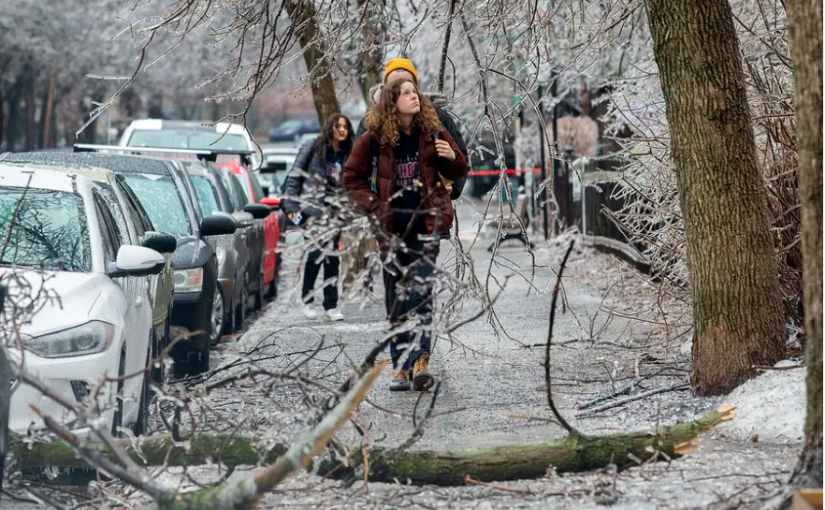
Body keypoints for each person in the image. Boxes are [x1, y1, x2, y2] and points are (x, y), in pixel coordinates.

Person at [344, 79, 469, 392]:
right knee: (397, 295)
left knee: (422, 291)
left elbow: (460, 169)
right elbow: (351, 177)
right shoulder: (374, 137)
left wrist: (452, 160)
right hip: (391, 229)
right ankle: (399, 363)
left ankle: (420, 360)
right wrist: (373, 205)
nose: (415, 97)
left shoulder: (434, 132)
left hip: (426, 226)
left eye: (416, 92)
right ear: (392, 101)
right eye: (407, 93)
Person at [356, 58, 469, 203]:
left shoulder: (437, 118)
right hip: (388, 216)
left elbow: (460, 157)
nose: (401, 87)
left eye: (407, 82)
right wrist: (368, 200)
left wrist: (452, 187)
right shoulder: (371, 123)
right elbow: (355, 170)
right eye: (395, 84)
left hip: (430, 216)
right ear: (385, 88)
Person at [283, 114, 354, 321]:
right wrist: (292, 207)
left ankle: (331, 305)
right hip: (312, 211)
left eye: (345, 127)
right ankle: (307, 300)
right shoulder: (312, 146)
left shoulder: (348, 154)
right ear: (329, 127)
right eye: (338, 126)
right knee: (315, 255)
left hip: (336, 213)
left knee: (333, 258)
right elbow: (294, 177)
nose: (342, 130)